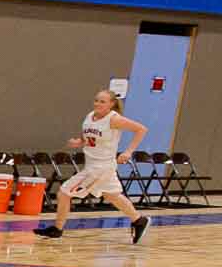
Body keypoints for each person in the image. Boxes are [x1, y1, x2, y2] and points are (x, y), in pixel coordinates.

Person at [36, 88, 151, 243]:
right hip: (95, 164)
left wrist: (129, 152)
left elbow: (141, 129)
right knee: (112, 196)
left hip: (100, 167)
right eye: (96, 100)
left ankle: (57, 229)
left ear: (111, 104)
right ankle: (139, 220)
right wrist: (79, 142)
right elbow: (90, 138)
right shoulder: (90, 116)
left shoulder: (114, 119)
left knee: (64, 193)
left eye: (102, 101)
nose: (97, 103)